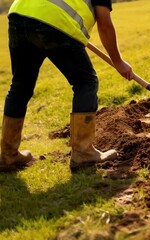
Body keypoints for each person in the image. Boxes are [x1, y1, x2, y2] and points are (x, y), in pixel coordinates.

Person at [0, 0, 134, 172]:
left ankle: (8, 154)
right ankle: (83, 152)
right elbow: (105, 25)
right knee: (85, 82)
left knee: (20, 85)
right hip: (54, 23)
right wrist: (118, 61)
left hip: (18, 15)